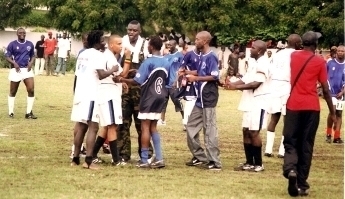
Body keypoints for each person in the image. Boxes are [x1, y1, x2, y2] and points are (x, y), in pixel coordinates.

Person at [282, 31, 336, 197]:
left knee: (291, 141)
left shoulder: (293, 57)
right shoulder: (320, 62)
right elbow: (325, 89)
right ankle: (302, 184)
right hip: (311, 107)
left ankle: (291, 169)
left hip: (293, 105)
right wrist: (332, 112)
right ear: (316, 45)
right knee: (306, 145)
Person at [115, 36, 170, 169]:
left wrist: (122, 80)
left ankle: (144, 159)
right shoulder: (166, 61)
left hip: (148, 98)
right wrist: (138, 72)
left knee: (145, 127)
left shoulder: (148, 62)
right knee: (153, 128)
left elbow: (137, 81)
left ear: (151, 46)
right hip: (160, 97)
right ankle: (159, 158)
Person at [225, 40, 270, 172]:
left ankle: (259, 164)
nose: (250, 49)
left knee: (254, 132)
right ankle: (249, 162)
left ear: (260, 51)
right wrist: (231, 84)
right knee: (246, 130)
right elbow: (246, 79)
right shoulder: (253, 62)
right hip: (248, 101)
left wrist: (235, 87)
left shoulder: (263, 63)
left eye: (253, 48)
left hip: (259, 102)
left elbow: (255, 84)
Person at [181, 31, 221, 171]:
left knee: (209, 130)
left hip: (208, 98)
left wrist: (196, 79)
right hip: (199, 99)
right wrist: (188, 73)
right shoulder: (202, 56)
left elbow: (214, 76)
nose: (195, 41)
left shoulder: (211, 57)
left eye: (197, 39)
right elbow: (201, 72)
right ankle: (200, 157)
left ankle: (215, 162)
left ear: (204, 41)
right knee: (190, 128)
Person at [70, 30, 109, 169]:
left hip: (80, 93)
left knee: (81, 126)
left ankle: (75, 159)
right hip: (91, 95)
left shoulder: (82, 54)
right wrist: (113, 69)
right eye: (102, 40)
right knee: (93, 127)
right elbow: (101, 74)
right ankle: (88, 161)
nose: (104, 42)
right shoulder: (97, 55)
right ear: (97, 41)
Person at [91, 34, 131, 164]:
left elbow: (118, 77)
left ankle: (92, 155)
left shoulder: (109, 57)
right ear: (111, 45)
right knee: (113, 126)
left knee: (107, 126)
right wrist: (128, 58)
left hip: (107, 93)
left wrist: (121, 82)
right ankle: (116, 159)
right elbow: (123, 73)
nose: (121, 46)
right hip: (109, 94)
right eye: (119, 44)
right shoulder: (109, 57)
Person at [118, 20, 153, 162]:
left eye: (134, 30)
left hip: (140, 90)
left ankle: (146, 154)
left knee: (141, 123)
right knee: (123, 123)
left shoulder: (145, 45)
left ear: (140, 31)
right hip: (124, 88)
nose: (131, 32)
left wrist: (138, 71)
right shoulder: (122, 42)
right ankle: (123, 155)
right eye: (129, 30)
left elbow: (150, 66)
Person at [264, 34, 302, 158]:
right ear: (296, 44)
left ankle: (268, 150)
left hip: (274, 86)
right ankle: (282, 151)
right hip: (287, 87)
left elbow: (269, 71)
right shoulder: (296, 55)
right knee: (287, 119)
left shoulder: (278, 54)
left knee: (274, 118)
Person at [5, 28, 37, 119]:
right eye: (20, 33)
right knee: (13, 91)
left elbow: (33, 55)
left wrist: (31, 63)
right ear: (17, 34)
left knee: (31, 90)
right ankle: (11, 112)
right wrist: (14, 63)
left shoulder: (30, 44)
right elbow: (7, 56)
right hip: (16, 71)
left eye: (23, 33)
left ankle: (28, 113)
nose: (22, 34)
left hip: (27, 70)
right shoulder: (12, 44)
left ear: (25, 34)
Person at [70, 33, 88, 159]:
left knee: (81, 122)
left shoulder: (82, 53)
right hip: (85, 91)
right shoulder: (86, 54)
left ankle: (78, 148)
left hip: (80, 89)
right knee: (82, 123)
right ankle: (76, 149)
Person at [159, 39, 184, 127]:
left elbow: (182, 69)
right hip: (165, 83)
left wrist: (177, 81)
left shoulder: (180, 56)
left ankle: (184, 119)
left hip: (174, 83)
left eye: (171, 45)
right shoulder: (166, 56)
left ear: (175, 45)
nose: (169, 47)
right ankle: (162, 120)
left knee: (177, 101)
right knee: (163, 102)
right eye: (168, 45)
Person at [325, 45, 345, 144]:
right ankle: (328, 133)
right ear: (336, 52)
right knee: (332, 112)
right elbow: (324, 76)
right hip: (331, 92)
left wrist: (342, 92)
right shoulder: (330, 63)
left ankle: (336, 137)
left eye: (343, 51)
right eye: (339, 51)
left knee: (339, 114)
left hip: (341, 94)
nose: (340, 52)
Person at [178, 49, 201, 130]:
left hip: (201, 82)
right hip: (191, 83)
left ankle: (196, 122)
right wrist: (183, 76)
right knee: (190, 102)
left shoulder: (205, 55)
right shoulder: (189, 54)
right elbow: (181, 69)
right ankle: (186, 123)